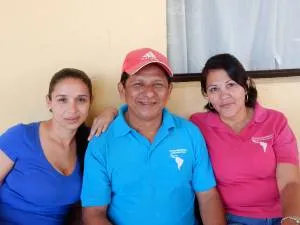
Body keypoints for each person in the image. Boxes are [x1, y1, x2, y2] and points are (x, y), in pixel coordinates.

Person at [81, 48, 226, 225]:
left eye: (157, 84)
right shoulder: (101, 142)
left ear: (169, 90)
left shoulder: (189, 133)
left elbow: (208, 197)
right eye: (138, 84)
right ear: (122, 90)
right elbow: (93, 213)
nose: (149, 93)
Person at [189, 53, 300, 225]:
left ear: (246, 86)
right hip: (233, 219)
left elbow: (289, 182)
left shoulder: (275, 122)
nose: (224, 95)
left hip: (283, 215)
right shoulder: (198, 126)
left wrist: (291, 220)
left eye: (231, 85)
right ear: (206, 95)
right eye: (214, 89)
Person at [0, 68, 92, 225]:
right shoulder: (21, 136)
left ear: (91, 102)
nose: (72, 109)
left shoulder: (87, 144)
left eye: (81, 100)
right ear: (49, 102)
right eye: (62, 99)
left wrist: (109, 113)